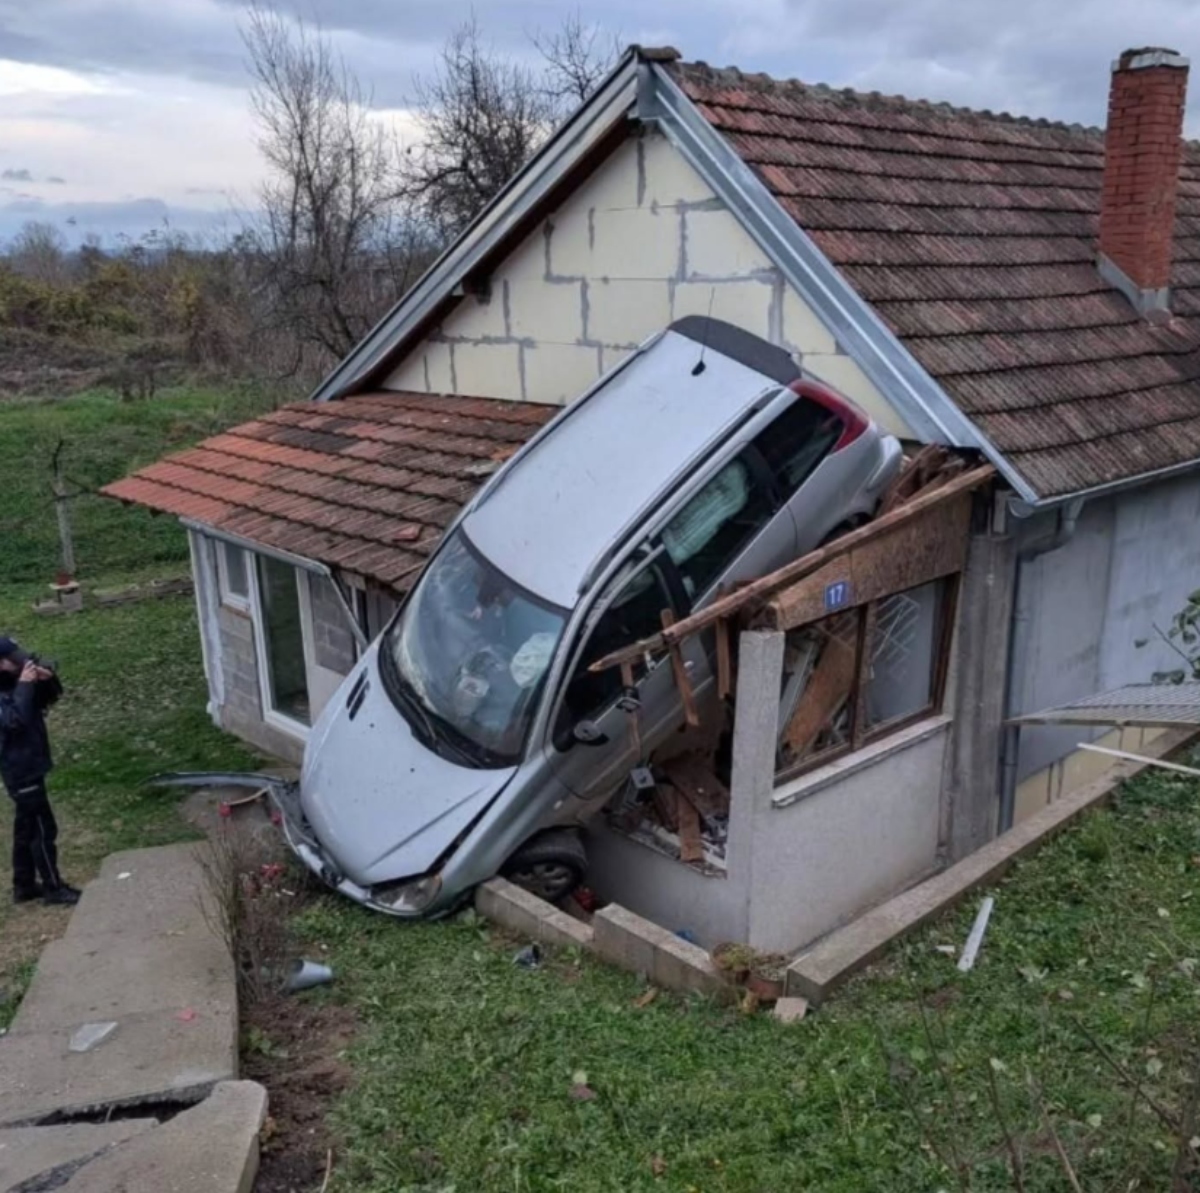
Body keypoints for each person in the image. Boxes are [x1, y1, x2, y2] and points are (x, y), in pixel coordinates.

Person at [0, 637, 79, 906]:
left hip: (31, 764)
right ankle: (53, 888)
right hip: (19, 770)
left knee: (25, 826)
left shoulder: (12, 684)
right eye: (13, 659)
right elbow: (15, 720)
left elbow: (47, 701)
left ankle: (23, 885)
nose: (20, 663)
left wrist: (45, 680)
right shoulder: (9, 690)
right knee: (42, 829)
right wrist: (24, 684)